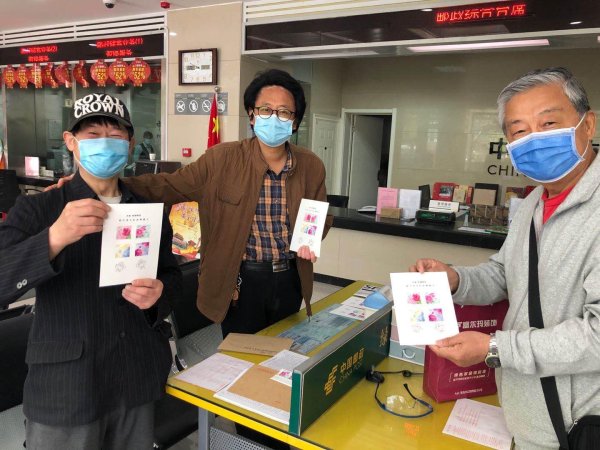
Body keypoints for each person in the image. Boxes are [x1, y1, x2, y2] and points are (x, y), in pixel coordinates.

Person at [411, 67, 600, 449]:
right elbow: (506, 273)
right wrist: (456, 279)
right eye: (519, 131)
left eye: (548, 123)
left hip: (577, 428)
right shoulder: (534, 202)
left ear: (588, 124)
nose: (535, 140)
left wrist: (495, 349)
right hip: (527, 418)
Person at [0, 93, 181, 449]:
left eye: (115, 135)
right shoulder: (40, 209)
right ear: (71, 141)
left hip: (136, 380)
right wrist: (53, 238)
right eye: (93, 134)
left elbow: (172, 278)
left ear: (129, 144)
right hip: (67, 389)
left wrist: (159, 294)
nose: (105, 143)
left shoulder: (148, 211)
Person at [122, 68, 332, 337]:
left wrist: (311, 239)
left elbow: (321, 216)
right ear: (252, 115)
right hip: (239, 280)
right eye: (265, 109)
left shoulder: (311, 166)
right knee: (240, 354)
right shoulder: (221, 159)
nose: (273, 117)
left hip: (290, 277)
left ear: (294, 122)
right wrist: (113, 185)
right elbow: (170, 186)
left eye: (284, 112)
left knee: (283, 348)